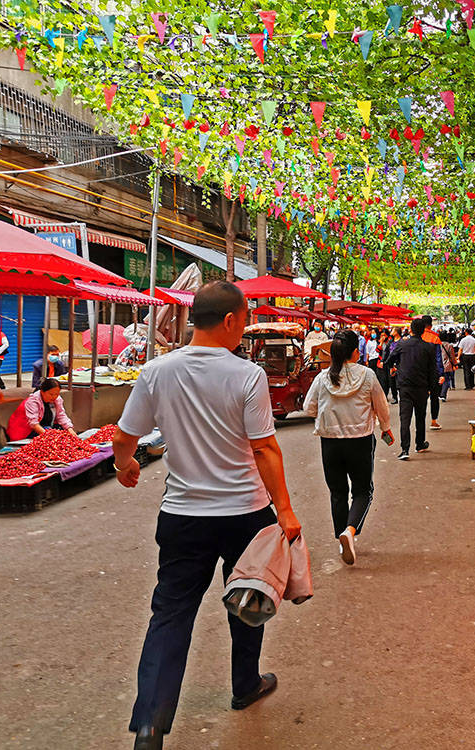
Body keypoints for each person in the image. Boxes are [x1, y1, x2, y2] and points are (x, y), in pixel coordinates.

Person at [111, 281, 302, 750]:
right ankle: (244, 684)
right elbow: (264, 448)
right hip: (245, 513)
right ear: (233, 320)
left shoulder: (156, 371)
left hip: (184, 515)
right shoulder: (247, 375)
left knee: (170, 614)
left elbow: (124, 436)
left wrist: (125, 466)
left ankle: (150, 725)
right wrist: (286, 510)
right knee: (248, 598)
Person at [303, 329, 393, 565]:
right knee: (364, 491)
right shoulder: (368, 375)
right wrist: (385, 427)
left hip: (329, 443)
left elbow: (308, 408)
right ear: (355, 352)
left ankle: (341, 537)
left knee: (338, 492)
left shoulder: (322, 377)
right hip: (360, 441)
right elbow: (381, 406)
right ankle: (350, 532)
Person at [385, 318, 436, 460]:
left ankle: (405, 449)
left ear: (411, 330)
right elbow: (433, 371)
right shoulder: (429, 347)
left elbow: (389, 360)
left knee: (405, 419)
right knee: (420, 417)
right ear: (424, 330)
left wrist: (395, 368)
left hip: (405, 387)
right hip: (422, 387)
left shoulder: (402, 344)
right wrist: (432, 389)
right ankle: (420, 444)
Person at [6, 378, 77, 441]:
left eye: (57, 394)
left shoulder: (57, 400)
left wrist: (70, 429)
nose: (54, 397)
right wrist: (49, 436)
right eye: (51, 394)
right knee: (53, 434)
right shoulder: (33, 401)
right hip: (25, 431)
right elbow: (34, 424)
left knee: (62, 432)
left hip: (45, 428)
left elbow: (61, 416)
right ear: (42, 392)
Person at [421, 315, 445, 430]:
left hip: (420, 372)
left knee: (421, 397)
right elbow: (438, 358)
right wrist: (441, 374)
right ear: (431, 325)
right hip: (433, 372)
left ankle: (420, 419)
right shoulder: (435, 338)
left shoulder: (417, 336)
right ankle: (434, 421)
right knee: (434, 397)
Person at [387, 328, 402, 403]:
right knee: (392, 381)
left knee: (399, 381)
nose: (391, 332)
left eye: (392, 330)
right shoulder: (390, 341)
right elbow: (387, 351)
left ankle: (401, 396)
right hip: (391, 364)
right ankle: (394, 397)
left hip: (399, 364)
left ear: (396, 332)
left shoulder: (402, 341)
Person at [440, 335, 457, 401]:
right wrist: (455, 364)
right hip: (447, 365)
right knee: (446, 380)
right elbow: (452, 356)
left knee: (440, 379)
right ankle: (443, 395)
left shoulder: (437, 345)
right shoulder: (449, 346)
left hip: (438, 365)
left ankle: (440, 394)